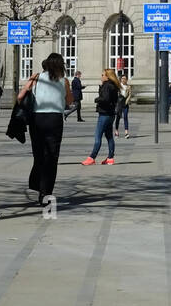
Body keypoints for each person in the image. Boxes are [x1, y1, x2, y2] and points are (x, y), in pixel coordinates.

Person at [19, 52, 73, 205]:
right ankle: (45, 192)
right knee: (52, 156)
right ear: (61, 65)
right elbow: (69, 101)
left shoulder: (35, 77)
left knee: (39, 153)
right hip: (55, 119)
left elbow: (20, 96)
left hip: (37, 119)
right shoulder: (65, 81)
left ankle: (36, 182)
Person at [83, 68, 121, 165]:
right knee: (109, 136)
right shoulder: (113, 86)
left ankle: (92, 157)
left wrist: (97, 99)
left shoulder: (107, 86)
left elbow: (105, 99)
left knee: (98, 136)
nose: (101, 77)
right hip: (111, 114)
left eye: (102, 75)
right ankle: (110, 158)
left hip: (104, 114)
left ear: (107, 77)